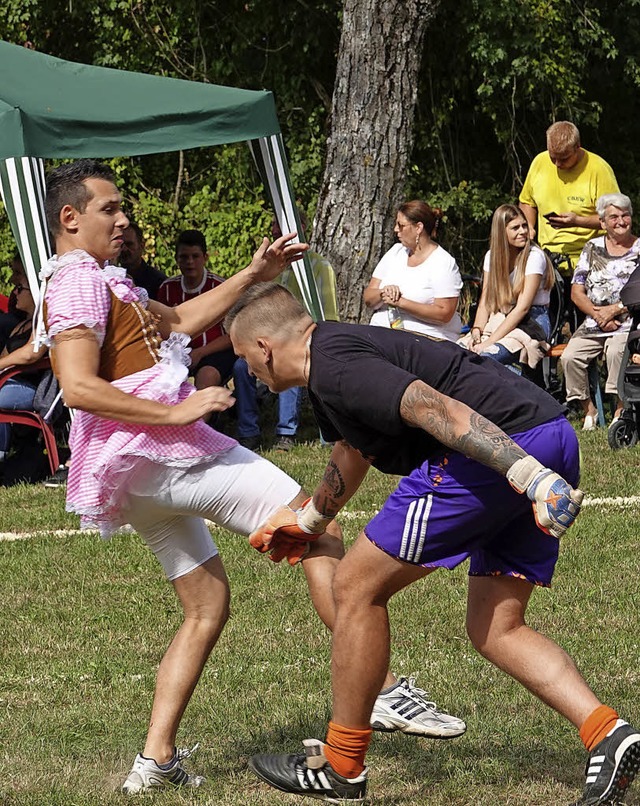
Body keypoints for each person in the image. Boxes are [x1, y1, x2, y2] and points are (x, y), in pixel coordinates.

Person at [36, 159, 461, 795]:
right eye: (109, 209)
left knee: (206, 608)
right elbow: (76, 386)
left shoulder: (101, 279)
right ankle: (381, 694)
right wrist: (176, 410)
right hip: (157, 451)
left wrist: (255, 275)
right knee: (312, 524)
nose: (123, 219)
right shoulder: (75, 283)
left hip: (135, 475)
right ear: (70, 219)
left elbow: (179, 321)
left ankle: (154, 761)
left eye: (122, 207)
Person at [227, 284, 637, 806]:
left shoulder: (336, 367)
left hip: (504, 453)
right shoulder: (331, 363)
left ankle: (341, 765)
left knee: (354, 587)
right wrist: (309, 522)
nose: (253, 377)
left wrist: (529, 478)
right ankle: (607, 733)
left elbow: (429, 406)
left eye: (246, 359)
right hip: (548, 432)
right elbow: (353, 453)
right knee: (496, 626)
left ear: (263, 347)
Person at [233, 215, 340, 452]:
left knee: (286, 360)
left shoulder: (320, 267)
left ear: (300, 230)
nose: (277, 231)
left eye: (284, 227)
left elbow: (328, 315)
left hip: (300, 339)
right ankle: (248, 431)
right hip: (265, 338)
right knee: (241, 367)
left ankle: (286, 432)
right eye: (275, 226)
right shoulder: (271, 269)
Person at [561, 193, 639, 430]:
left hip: (630, 321)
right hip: (595, 321)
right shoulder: (591, 247)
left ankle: (619, 410)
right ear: (603, 222)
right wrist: (598, 315)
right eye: (613, 216)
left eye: (625, 215)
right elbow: (576, 292)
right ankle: (589, 410)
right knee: (569, 357)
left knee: (617, 352)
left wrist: (615, 311)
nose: (621, 221)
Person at [464, 204, 554, 372]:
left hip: (530, 320)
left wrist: (488, 343)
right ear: (501, 232)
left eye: (524, 226)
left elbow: (523, 307)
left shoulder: (534, 257)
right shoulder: (491, 256)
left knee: (486, 357)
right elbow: (485, 300)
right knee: (457, 354)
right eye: (515, 228)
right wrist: (477, 331)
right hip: (499, 316)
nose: (523, 232)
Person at [519, 121, 619, 266]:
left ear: (578, 146)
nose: (558, 164)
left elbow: (615, 219)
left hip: (591, 257)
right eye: (553, 157)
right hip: (546, 257)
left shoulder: (599, 169)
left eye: (564, 158)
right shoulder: (539, 162)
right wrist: (528, 226)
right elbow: (527, 201)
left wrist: (577, 221)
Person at [363, 200, 462, 340]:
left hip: (424, 338)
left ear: (418, 228)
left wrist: (400, 302)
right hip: (380, 333)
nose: (396, 230)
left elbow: (444, 314)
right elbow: (368, 297)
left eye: (401, 225)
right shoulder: (395, 252)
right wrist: (383, 292)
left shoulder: (443, 263)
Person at [157, 230, 236, 395]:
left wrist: (200, 353)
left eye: (195, 256)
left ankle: (200, 420)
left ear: (205, 257)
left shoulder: (221, 288)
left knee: (207, 376)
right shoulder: (167, 288)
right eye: (184, 257)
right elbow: (159, 330)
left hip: (214, 352)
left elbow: (232, 335)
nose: (190, 262)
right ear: (177, 259)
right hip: (175, 356)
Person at [0, 279, 47, 462]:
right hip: (10, 381)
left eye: (20, 288)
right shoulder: (22, 325)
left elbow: (32, 353)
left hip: (32, 387)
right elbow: (5, 356)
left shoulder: (43, 321)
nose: (14, 293)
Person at [119, 222, 167, 301]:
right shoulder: (113, 279)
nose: (124, 249)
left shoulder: (159, 282)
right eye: (121, 244)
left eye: (129, 244)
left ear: (141, 246)